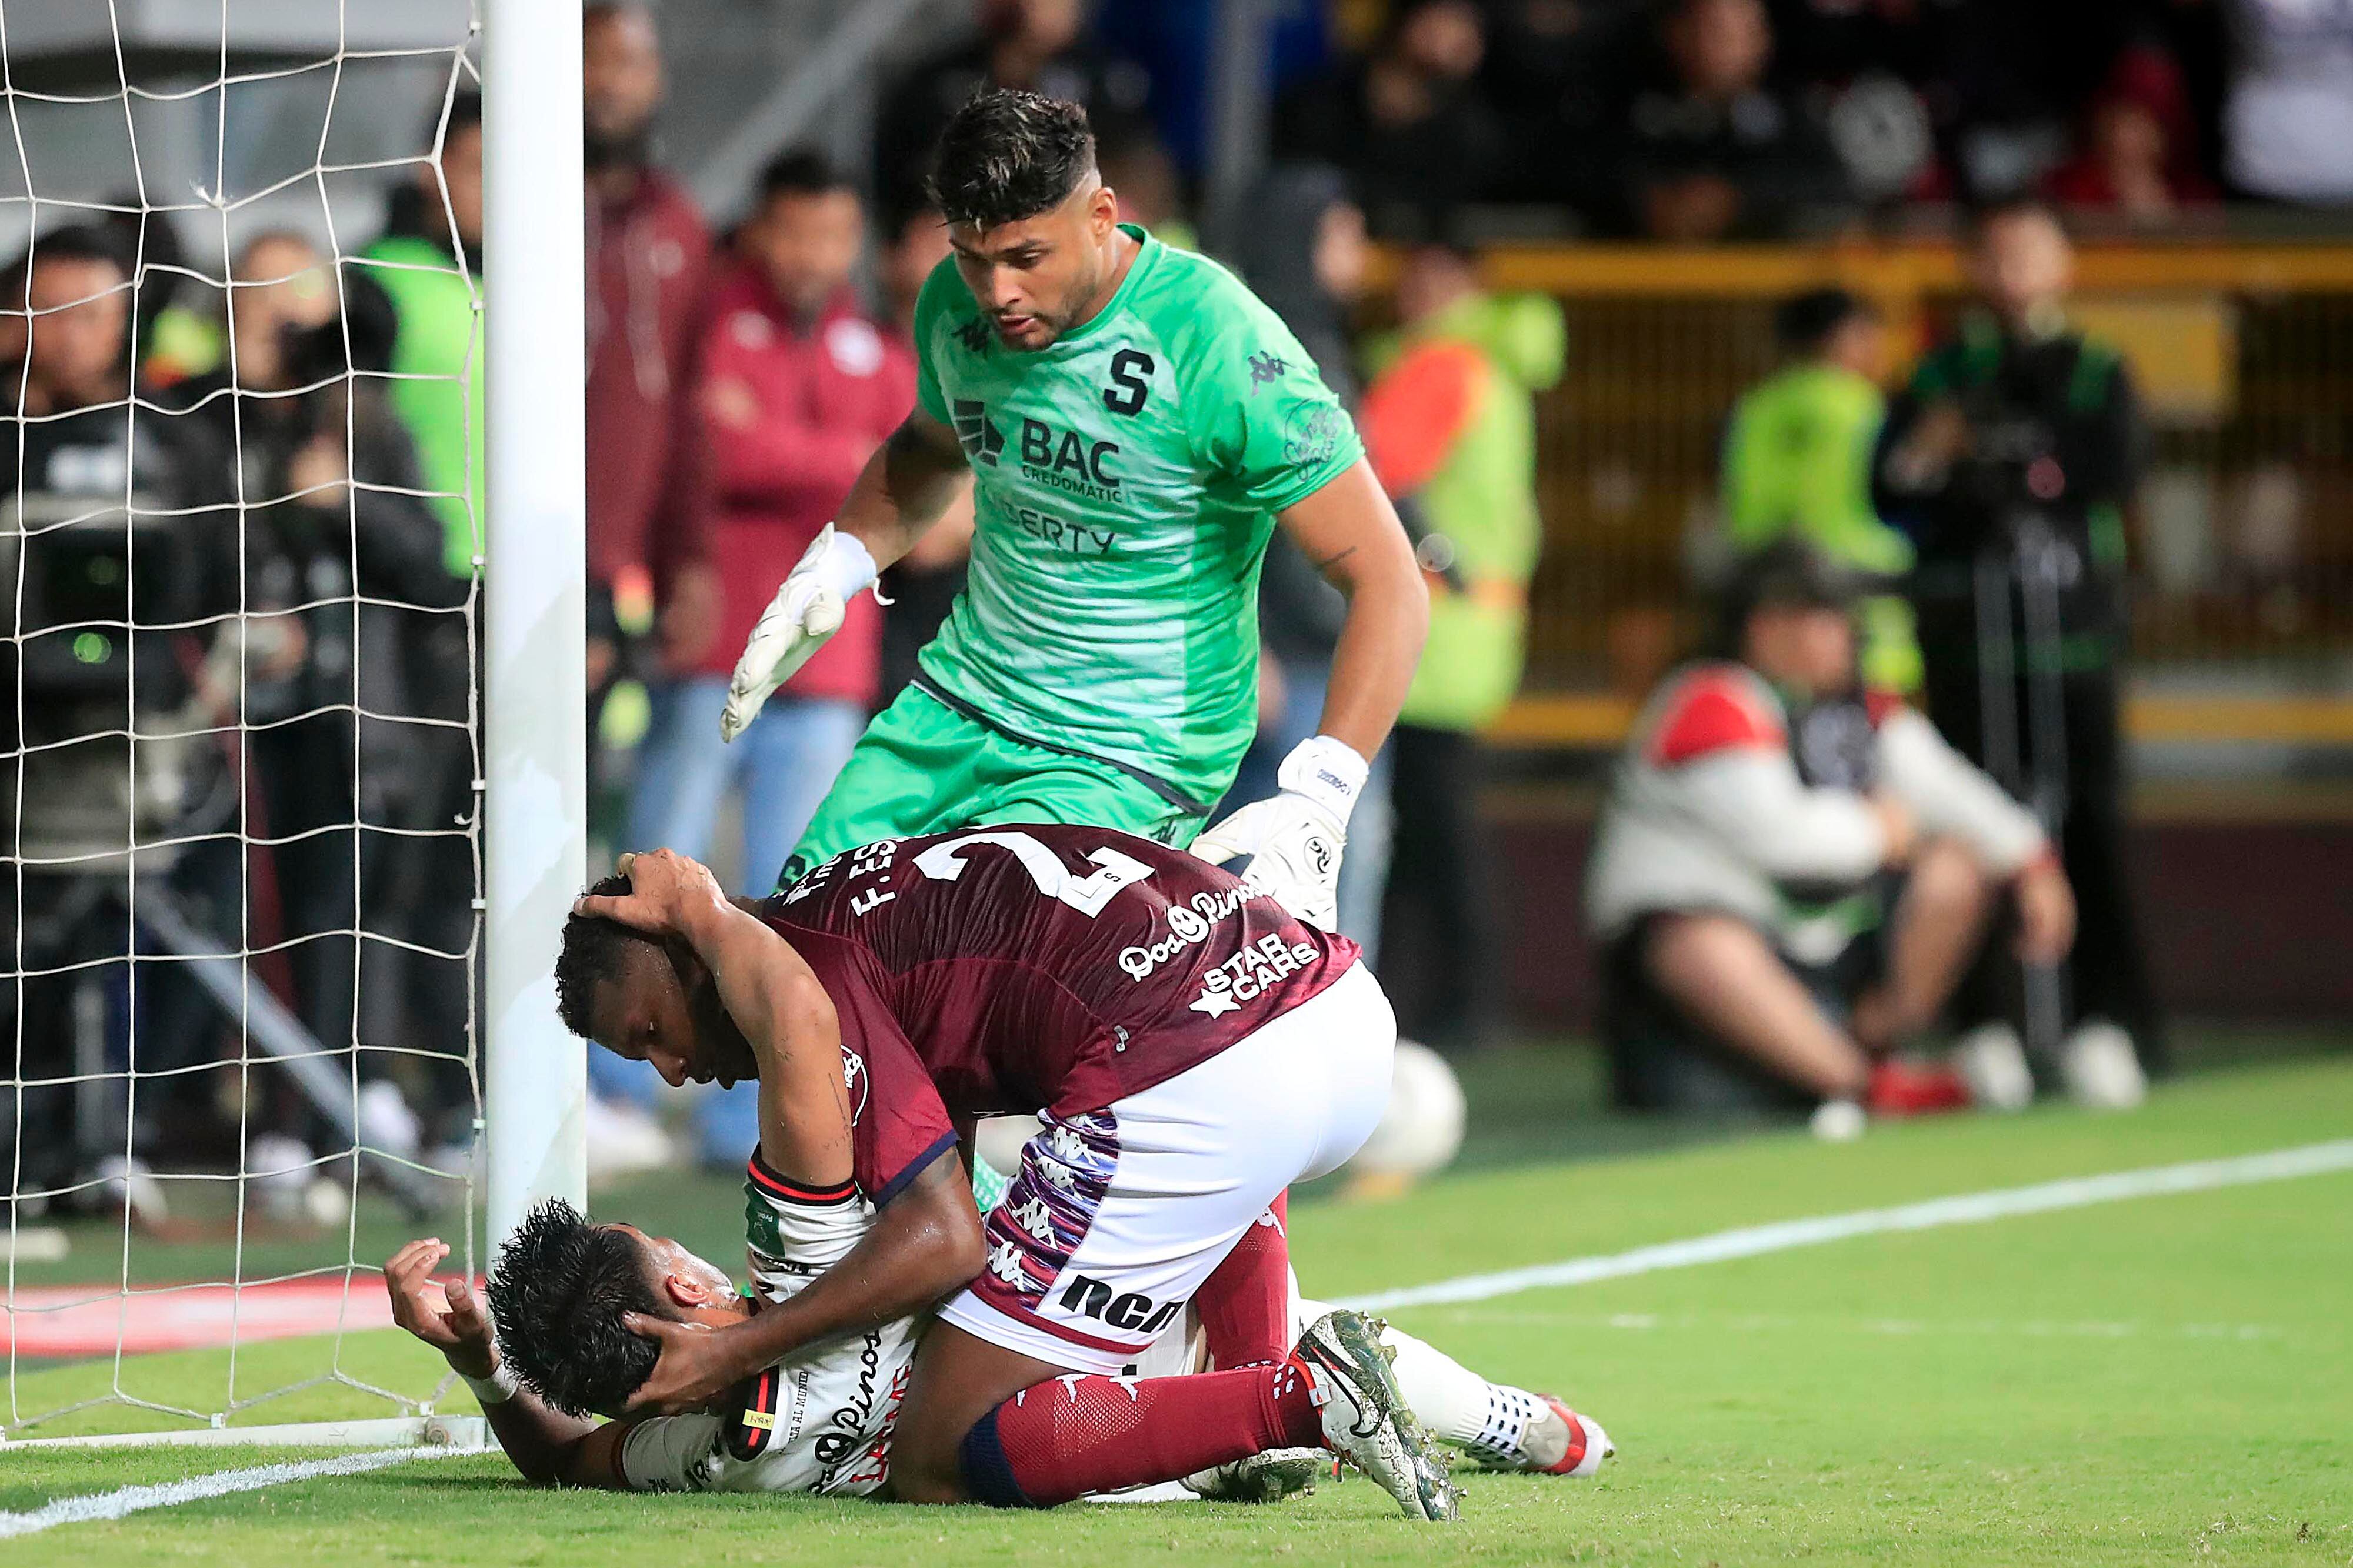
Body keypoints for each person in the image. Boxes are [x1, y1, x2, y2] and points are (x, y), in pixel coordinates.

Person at [551, 833, 1457, 1517]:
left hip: (1201, 1073)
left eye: (650, 1032)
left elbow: (948, 1237)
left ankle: (1300, 1393)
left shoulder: (811, 981)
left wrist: (740, 1346)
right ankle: (1276, 1391)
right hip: (1326, 1002)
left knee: (937, 1454)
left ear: (684, 957)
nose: (669, 1068)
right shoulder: (845, 885)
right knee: (1097, 1187)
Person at [723, 90, 1427, 939]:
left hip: (1127, 750)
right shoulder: (954, 304)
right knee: (802, 946)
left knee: (969, 978)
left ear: (1101, 215)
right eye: (974, 256)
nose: (998, 290)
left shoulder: (1215, 339)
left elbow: (1388, 579)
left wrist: (1323, 798)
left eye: (1026, 256)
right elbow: (931, 448)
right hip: (957, 704)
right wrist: (838, 561)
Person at [383, 1192, 1609, 1497]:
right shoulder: (818, 1265)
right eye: (665, 1248)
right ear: (689, 1290)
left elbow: (561, 1464)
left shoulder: (682, 1447)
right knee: (1232, 1190)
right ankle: (1485, 1415)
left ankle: (1316, 1409)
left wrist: (480, 1362)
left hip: (1114, 1447)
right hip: (1114, 1410)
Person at [621, 152, 911, 1166]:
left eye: (833, 236)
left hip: (828, 671)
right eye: (796, 232)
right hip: (717, 648)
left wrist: (789, 453)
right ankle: (612, 1091)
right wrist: (846, 467)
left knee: (802, 896)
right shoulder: (710, 323)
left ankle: (737, 1105)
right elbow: (717, 449)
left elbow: (927, 498)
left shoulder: (875, 348)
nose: (813, 255)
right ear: (760, 232)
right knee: (663, 860)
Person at [1583, 542, 2077, 1119]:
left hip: (1821, 939)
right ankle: (1859, 1083)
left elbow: (1949, 789)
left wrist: (2032, 862)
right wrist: (1879, 829)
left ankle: (1875, 1043)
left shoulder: (1853, 711)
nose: (1849, 632)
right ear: (1768, 628)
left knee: (1956, 866)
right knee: (1698, 943)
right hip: (1714, 952)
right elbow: (1785, 840)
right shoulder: (1711, 701)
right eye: (1829, 615)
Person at [166, 232, 459, 1155]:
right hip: (213, 720)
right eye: (261, 297)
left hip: (347, 722)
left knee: (347, 914)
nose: (282, 322)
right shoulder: (191, 418)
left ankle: (338, 1104)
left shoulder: (368, 426)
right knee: (216, 915)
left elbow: (433, 572)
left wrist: (345, 503)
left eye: (302, 304)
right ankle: (178, 1118)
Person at [1873, 198, 2159, 1096]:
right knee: (1974, 823)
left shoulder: (2095, 368)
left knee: (2089, 827)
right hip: (1972, 643)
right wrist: (1942, 456)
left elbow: (2108, 471)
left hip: (2070, 639)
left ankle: (2106, 1020)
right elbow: (1897, 486)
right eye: (1994, 256)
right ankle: (1985, 1023)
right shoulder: (1941, 371)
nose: (2011, 274)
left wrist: (2017, 473)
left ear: (2063, 266)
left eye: (2030, 254)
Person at [1355, 235, 1563, 1050]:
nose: (1415, 290)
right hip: (1476, 622)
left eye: (1433, 275)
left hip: (1431, 628)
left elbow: (1367, 469)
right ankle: (1451, 1000)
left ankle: (1460, 1004)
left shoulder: (1439, 364)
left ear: (1467, 284)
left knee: (1429, 827)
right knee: (1439, 821)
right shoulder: (1496, 366)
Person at [1217, 164, 1391, 957]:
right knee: (1291, 879)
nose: (1360, 251)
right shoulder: (1270, 353)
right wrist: (1249, 642)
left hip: (1312, 650)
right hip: (1289, 661)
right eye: (1346, 231)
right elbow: (1219, 508)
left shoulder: (1289, 337)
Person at [584, 1, 722, 757]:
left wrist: (691, 560)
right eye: (592, 58)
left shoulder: (679, 224)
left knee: (585, 793)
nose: (608, 83)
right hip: (477, 557)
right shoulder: (505, 214)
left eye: (629, 62)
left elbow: (688, 409)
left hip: (617, 573)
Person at [1718, 286, 1919, 695]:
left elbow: (1742, 501)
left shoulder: (1755, 409)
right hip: (1861, 590)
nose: (1876, 346)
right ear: (1839, 337)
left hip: (1771, 585)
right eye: (1867, 334)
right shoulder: (1865, 407)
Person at [874, 0, 1151, 223]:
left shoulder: (1107, 81)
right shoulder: (937, 83)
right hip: (963, 229)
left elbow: (1140, 172)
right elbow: (901, 181)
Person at [1615, 0, 1853, 241]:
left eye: (1726, 34)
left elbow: (1834, 189)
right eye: (1701, 29)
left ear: (1762, 40)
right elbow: (1590, 170)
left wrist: (1739, 200)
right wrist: (1646, 200)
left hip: (1764, 265)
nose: (1710, 46)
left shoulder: (1792, 114)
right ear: (1673, 35)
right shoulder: (1633, 108)